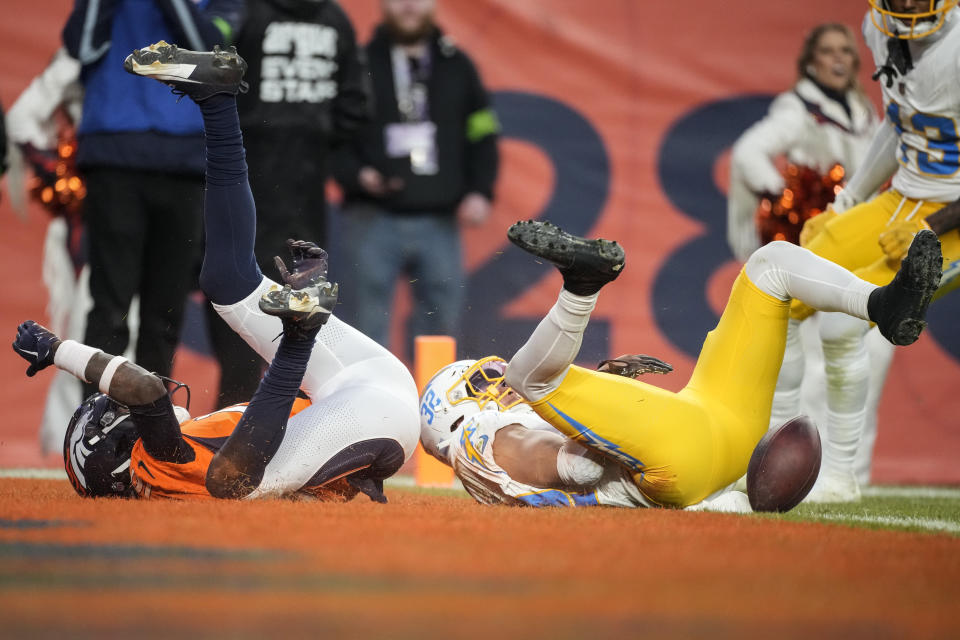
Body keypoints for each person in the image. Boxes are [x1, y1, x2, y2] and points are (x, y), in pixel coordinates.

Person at [11, 42, 420, 501]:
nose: (128, 406)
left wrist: (296, 346)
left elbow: (158, 396)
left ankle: (217, 101)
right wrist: (55, 350)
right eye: (117, 412)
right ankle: (300, 332)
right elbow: (143, 388)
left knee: (229, 290)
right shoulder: (159, 466)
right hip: (370, 398)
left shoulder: (166, 466)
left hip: (364, 405)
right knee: (233, 479)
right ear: (113, 447)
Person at [418, 220, 941, 510]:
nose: (493, 382)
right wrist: (598, 426)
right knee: (527, 377)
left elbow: (575, 459)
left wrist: (607, 402)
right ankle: (580, 289)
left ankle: (884, 306)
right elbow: (575, 466)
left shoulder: (490, 444)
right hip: (691, 450)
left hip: (709, 438)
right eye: (479, 378)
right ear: (454, 411)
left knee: (770, 265)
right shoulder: (478, 440)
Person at [788, 0, 960, 502]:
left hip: (950, 214)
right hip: (902, 196)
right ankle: (769, 450)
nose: (906, 2)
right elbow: (898, 122)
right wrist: (848, 202)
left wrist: (929, 226)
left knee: (847, 320)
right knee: (787, 280)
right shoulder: (879, 29)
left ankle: (843, 474)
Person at [727, 22, 893, 489]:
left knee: (872, 357)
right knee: (820, 361)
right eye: (827, 51)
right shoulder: (798, 108)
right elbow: (747, 153)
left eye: (846, 51)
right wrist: (783, 197)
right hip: (818, 247)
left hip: (860, 242)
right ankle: (801, 474)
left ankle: (849, 474)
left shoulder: (864, 111)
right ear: (811, 61)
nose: (838, 59)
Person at [61, 0, 245, 397]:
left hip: (185, 164)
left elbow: (211, 56)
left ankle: (150, 429)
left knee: (165, 311)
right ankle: (97, 426)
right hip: (115, 160)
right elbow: (82, 46)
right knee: (110, 306)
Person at [206, 0, 372, 406]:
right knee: (301, 298)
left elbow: (216, 75)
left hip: (250, 175)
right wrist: (315, 130)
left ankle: (240, 411)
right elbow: (356, 102)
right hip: (297, 186)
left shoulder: (248, 12)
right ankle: (288, 415)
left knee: (244, 293)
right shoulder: (334, 19)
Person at [333, 0, 499, 354]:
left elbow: (483, 133)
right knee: (364, 330)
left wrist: (480, 191)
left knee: (440, 332)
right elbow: (332, 138)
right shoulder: (360, 63)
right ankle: (371, 409)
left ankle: (437, 407)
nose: (409, 5)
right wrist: (359, 175)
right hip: (371, 216)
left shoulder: (457, 65)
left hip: (440, 218)